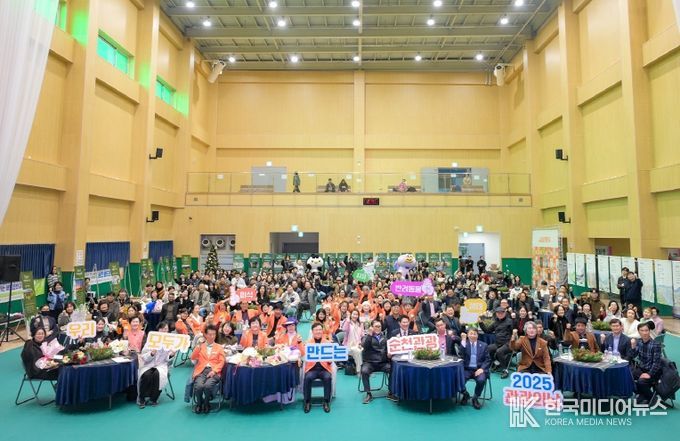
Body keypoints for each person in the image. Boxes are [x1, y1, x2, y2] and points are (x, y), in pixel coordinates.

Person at [137, 321, 175, 408]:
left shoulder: (170, 342)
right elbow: (144, 356)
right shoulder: (151, 340)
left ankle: (154, 398)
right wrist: (152, 353)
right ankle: (142, 398)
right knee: (146, 375)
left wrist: (171, 355)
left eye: (166, 329)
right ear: (158, 330)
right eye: (162, 329)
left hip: (161, 365)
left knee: (158, 375)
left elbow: (168, 359)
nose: (164, 331)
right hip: (148, 364)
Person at [190, 325, 226, 413]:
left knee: (207, 386)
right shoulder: (200, 346)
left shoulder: (219, 347)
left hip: (214, 371)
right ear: (205, 335)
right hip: (201, 371)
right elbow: (193, 357)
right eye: (210, 334)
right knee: (198, 386)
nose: (212, 336)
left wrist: (214, 371)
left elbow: (222, 362)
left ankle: (206, 404)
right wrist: (198, 346)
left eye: (214, 334)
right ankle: (199, 404)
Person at [361, 320, 396, 403]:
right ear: (372, 327)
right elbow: (365, 346)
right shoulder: (366, 337)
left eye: (379, 326)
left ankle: (391, 391)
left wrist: (389, 354)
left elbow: (388, 349)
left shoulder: (385, 338)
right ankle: (368, 393)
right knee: (364, 371)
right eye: (376, 326)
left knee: (393, 370)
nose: (378, 328)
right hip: (369, 363)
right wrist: (369, 335)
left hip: (382, 363)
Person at [302, 322, 333, 413]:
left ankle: (326, 401)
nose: (318, 331)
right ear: (312, 331)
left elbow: (331, 359)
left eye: (320, 330)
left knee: (328, 377)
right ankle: (307, 402)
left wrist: (330, 359)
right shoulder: (308, 343)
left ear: (322, 331)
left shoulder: (327, 343)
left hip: (324, 368)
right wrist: (300, 343)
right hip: (312, 368)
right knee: (307, 378)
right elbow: (303, 355)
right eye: (316, 330)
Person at [458, 327, 490, 410]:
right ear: (467, 335)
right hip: (467, 369)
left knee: (481, 380)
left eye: (474, 334)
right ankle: (465, 394)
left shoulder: (484, 345)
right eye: (471, 333)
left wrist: (482, 369)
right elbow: (460, 355)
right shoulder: (464, 344)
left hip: (479, 369)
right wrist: (463, 341)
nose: (472, 335)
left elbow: (487, 360)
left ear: (477, 335)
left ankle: (475, 398)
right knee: (458, 379)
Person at [630, 321, 662, 404]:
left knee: (641, 382)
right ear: (638, 332)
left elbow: (656, 363)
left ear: (649, 331)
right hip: (642, 368)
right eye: (642, 330)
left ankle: (652, 398)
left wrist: (649, 374)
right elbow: (633, 356)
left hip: (654, 372)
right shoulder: (639, 342)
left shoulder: (656, 344)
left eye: (646, 330)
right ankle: (642, 394)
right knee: (627, 377)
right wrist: (633, 346)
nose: (644, 333)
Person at [479, 307, 514, 379]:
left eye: (502, 313)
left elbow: (515, 332)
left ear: (505, 313)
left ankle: (505, 370)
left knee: (499, 351)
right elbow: (487, 331)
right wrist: (480, 322)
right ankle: (496, 363)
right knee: (488, 348)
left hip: (508, 343)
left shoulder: (510, 321)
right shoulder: (495, 322)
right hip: (498, 343)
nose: (500, 314)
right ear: (496, 314)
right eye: (498, 313)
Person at [341, 310, 365, 375]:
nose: (355, 316)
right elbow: (344, 329)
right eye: (353, 314)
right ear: (351, 315)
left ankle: (361, 369)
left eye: (356, 314)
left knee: (359, 350)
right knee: (357, 351)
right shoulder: (348, 322)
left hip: (358, 345)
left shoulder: (360, 324)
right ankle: (359, 370)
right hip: (348, 346)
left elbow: (362, 336)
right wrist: (348, 319)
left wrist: (361, 344)